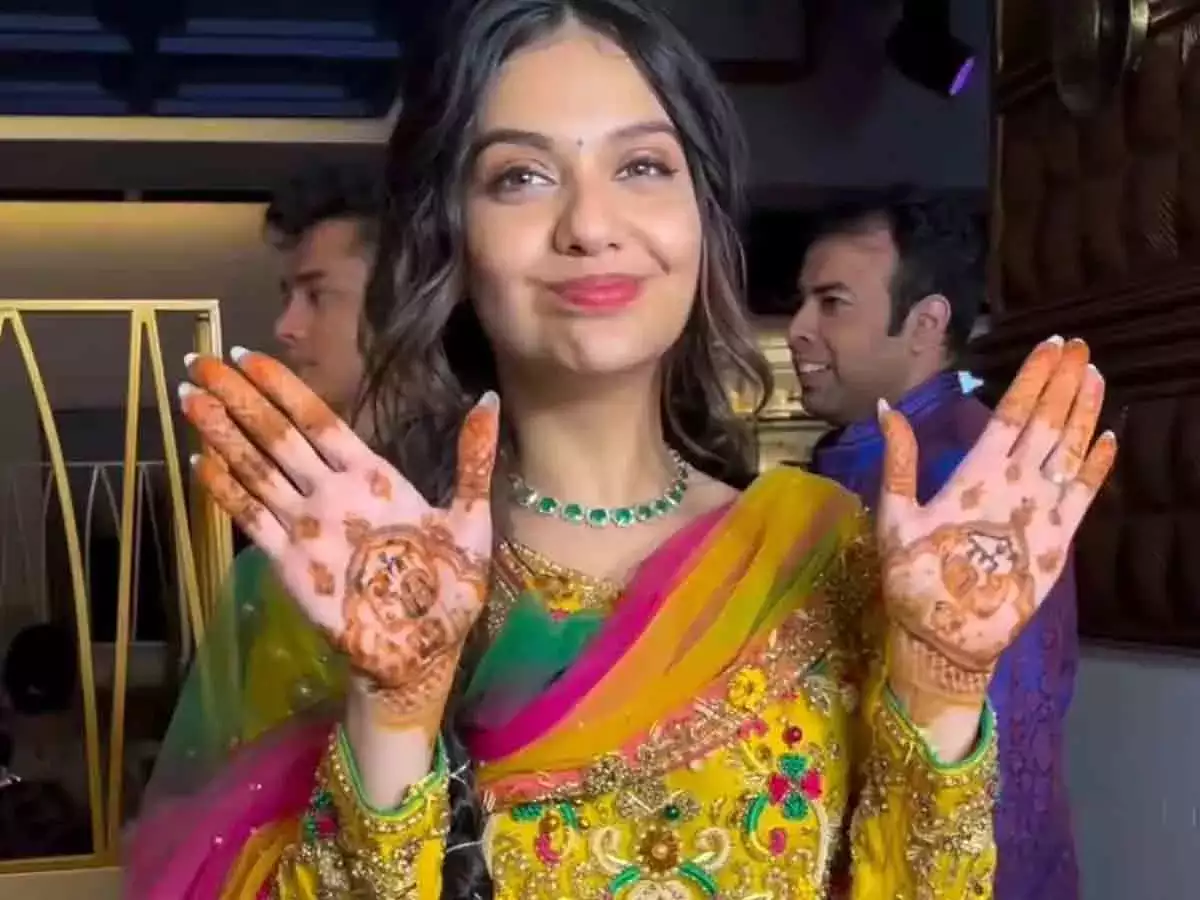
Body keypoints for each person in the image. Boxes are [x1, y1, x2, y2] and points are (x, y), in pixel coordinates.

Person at [126, 1, 1116, 897]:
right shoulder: (344, 585)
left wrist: (942, 686)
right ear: (452, 244)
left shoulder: (830, 555)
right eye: (520, 177)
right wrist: (394, 713)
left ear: (702, 220)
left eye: (642, 166)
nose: (591, 225)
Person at [788, 190, 1081, 899]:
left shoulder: (966, 476)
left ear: (925, 322)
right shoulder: (857, 457)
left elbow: (989, 733)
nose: (797, 329)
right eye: (803, 302)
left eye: (832, 303)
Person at [184, 165, 387, 752]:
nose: (285, 327)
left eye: (317, 296)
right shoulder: (288, 495)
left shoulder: (475, 497)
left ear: (404, 301)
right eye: (287, 297)